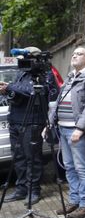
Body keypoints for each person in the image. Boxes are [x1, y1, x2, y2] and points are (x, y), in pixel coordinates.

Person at [49, 47, 85, 218]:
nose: (74, 55)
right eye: (73, 53)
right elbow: (58, 102)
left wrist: (79, 129)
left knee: (83, 167)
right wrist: (49, 123)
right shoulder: (69, 78)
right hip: (63, 129)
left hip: (78, 132)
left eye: (79, 54)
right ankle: (75, 200)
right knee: (70, 167)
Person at [0, 46, 59, 205]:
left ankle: (34, 190)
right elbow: (20, 94)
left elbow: (33, 90)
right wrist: (8, 91)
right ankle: (21, 189)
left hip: (33, 121)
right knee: (18, 156)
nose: (21, 61)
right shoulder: (22, 72)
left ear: (34, 58)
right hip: (15, 120)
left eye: (25, 58)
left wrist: (10, 87)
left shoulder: (44, 73)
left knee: (32, 157)